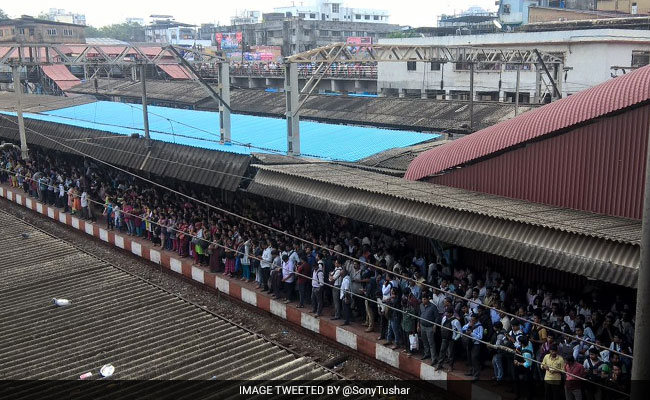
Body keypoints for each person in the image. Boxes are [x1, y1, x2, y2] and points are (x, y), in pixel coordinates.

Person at [436, 306, 462, 371]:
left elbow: (460, 332)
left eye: (448, 313)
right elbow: (442, 326)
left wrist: (455, 338)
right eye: (446, 313)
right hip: (444, 338)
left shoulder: (456, 321)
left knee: (450, 353)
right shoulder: (444, 318)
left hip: (451, 339)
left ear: (451, 313)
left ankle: (450, 366)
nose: (446, 314)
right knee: (442, 351)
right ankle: (439, 365)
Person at [418, 291, 439, 363]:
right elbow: (419, 315)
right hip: (422, 326)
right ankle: (427, 354)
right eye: (422, 299)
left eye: (425, 299)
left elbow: (437, 317)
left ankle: (434, 358)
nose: (423, 301)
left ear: (428, 299)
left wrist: (435, 325)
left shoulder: (433, 307)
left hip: (430, 327)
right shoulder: (421, 305)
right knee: (424, 341)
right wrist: (418, 325)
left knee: (431, 343)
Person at [462, 314, 484, 381]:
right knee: (469, 358)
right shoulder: (470, 323)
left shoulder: (480, 327)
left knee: (474, 359)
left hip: (476, 344)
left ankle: (476, 375)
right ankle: (471, 371)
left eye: (473, 320)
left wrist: (471, 333)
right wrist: (469, 326)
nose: (471, 321)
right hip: (469, 343)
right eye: (471, 319)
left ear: (477, 320)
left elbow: (480, 337)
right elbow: (463, 328)